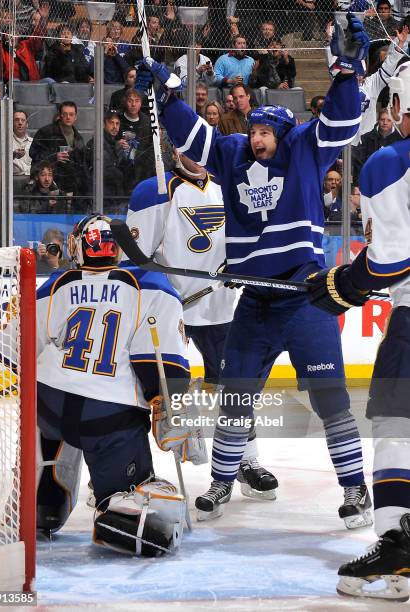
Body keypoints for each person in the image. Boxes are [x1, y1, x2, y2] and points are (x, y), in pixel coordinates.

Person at [135, 13, 373, 526]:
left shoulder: (305, 150)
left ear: (283, 135)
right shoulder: (233, 155)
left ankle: (356, 490)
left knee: (330, 399)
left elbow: (340, 120)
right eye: (256, 130)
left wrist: (347, 72)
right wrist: (168, 96)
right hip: (256, 305)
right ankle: (222, 483)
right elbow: (194, 139)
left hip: (305, 299)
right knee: (236, 398)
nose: (257, 137)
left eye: (266, 132)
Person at [307, 61, 410, 602]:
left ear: (397, 106)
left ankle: (398, 550)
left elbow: (392, 262)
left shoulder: (390, 162)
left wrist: (343, 284)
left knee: (397, 428)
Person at [125, 148, 279, 503]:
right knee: (142, 390)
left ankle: (245, 460)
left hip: (219, 308)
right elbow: (132, 260)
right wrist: (160, 291)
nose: (197, 157)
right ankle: (124, 468)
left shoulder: (227, 187)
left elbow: (248, 237)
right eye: (187, 150)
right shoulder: (154, 191)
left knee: (236, 388)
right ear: (174, 150)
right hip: (164, 313)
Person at [35, 214, 190, 555]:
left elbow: (15, 347)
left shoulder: (55, 284)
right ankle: (118, 512)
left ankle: (43, 506)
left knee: (48, 438)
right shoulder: (151, 285)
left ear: (78, 246)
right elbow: (158, 363)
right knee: (143, 516)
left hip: (48, 405)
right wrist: (169, 404)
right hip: (108, 417)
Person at [29, 101, 88, 200]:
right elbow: (33, 152)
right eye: (65, 114)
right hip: (51, 183)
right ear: (60, 115)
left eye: (71, 114)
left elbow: (82, 163)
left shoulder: (78, 138)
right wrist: (54, 157)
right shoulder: (46, 132)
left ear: (76, 117)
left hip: (72, 184)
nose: (68, 117)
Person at [85, 110, 127, 211]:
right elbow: (107, 170)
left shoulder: (113, 143)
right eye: (111, 123)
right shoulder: (98, 143)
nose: (115, 126)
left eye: (117, 123)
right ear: (104, 124)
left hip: (113, 197)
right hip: (103, 198)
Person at [352, 108, 402, 184]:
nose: (385, 122)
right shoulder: (365, 138)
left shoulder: (401, 140)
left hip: (394, 186)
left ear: (393, 122)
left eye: (389, 120)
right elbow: (359, 164)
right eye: (382, 119)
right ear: (378, 120)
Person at [13, 110, 33, 176]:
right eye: (16, 120)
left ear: (27, 124)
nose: (20, 123)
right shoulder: (5, 142)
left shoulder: (33, 142)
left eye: (23, 120)